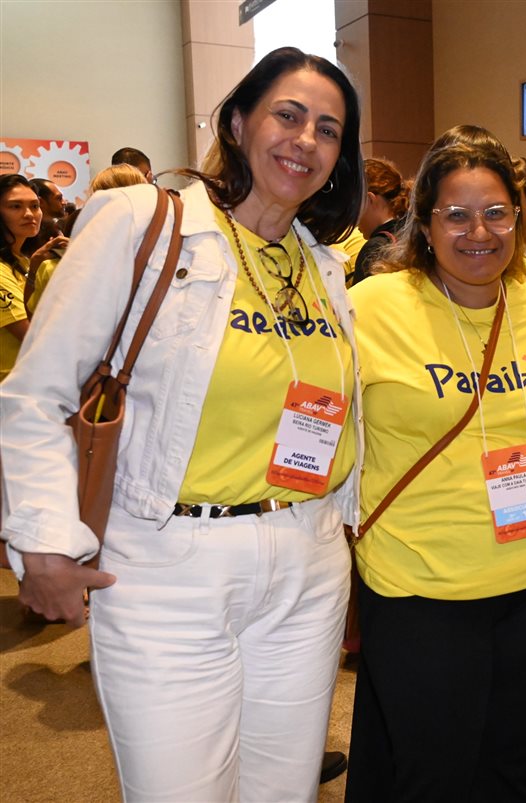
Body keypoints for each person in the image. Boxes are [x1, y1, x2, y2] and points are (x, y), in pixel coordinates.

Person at [0, 46, 364, 800]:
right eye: (288, 116)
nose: (306, 141)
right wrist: (43, 540)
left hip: (307, 565)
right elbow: (35, 392)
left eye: (328, 130)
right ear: (237, 122)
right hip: (168, 566)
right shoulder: (144, 221)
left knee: (282, 790)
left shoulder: (321, 265)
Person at [345, 131, 526, 801]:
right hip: (423, 589)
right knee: (433, 773)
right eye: (456, 213)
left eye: (496, 212)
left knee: (511, 765)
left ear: (523, 217)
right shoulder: (372, 308)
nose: (478, 231)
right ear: (423, 221)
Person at [25, 164, 148, 316]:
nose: (64, 202)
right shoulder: (166, 256)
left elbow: (36, 323)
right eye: (16, 206)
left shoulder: (58, 268)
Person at [0, 174, 65, 382]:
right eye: (15, 206)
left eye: (35, 206)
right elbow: (31, 338)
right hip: (12, 391)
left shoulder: (23, 260)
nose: (30, 214)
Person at [350, 156, 410, 285]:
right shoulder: (415, 234)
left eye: (354, 205)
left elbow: (360, 302)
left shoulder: (376, 248)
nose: (353, 216)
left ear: (370, 199)